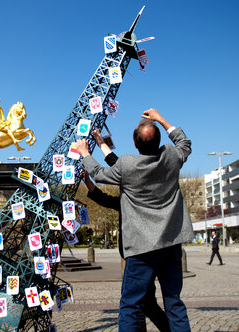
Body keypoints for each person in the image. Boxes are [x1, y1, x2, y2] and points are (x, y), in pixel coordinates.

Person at [77, 108, 193, 331]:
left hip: (141, 250)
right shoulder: (170, 157)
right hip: (170, 245)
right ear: (159, 141)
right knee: (174, 303)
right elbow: (184, 142)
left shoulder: (127, 165)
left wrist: (84, 153)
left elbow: (100, 173)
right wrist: (161, 119)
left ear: (134, 143)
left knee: (130, 305)